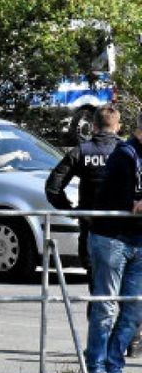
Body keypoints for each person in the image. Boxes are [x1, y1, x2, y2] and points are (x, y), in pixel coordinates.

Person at [83, 111, 142, 373]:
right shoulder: (124, 155)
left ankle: (114, 365)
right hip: (111, 237)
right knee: (105, 305)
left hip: (138, 240)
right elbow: (130, 203)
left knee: (134, 308)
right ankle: (96, 367)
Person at [45, 104, 120, 279]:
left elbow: (53, 187)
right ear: (118, 127)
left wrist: (69, 210)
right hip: (122, 228)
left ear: (94, 126)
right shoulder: (127, 151)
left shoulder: (81, 151)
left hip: (90, 227)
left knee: (96, 287)